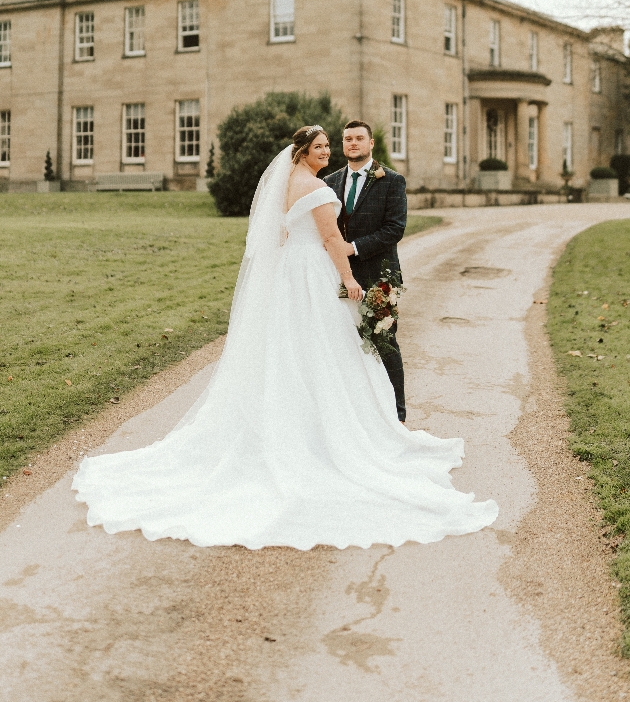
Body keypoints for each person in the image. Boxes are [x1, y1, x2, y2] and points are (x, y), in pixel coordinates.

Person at [72, 125, 498, 549]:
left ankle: (393, 416)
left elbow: (363, 230)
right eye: (324, 146)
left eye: (339, 143)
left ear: (368, 144)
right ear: (304, 151)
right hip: (321, 274)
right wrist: (347, 277)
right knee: (331, 351)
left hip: (317, 275)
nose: (332, 150)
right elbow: (331, 237)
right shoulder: (319, 184)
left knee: (361, 346)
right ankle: (340, 433)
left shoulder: (336, 182)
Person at [324, 120, 407, 421]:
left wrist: (354, 246)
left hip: (380, 275)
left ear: (371, 143)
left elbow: (394, 229)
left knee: (384, 342)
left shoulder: (392, 181)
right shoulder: (330, 182)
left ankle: (396, 415)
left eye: (359, 138)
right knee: (345, 342)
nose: (353, 144)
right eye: (347, 139)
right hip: (339, 275)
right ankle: (359, 415)